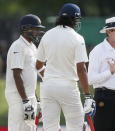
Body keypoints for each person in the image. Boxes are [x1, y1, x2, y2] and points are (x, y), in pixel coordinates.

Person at [35, 3, 95, 131]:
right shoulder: (77, 38)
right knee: (76, 127)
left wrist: (52, 78)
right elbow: (81, 69)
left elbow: (38, 65)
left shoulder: (47, 35)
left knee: (50, 128)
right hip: (68, 87)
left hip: (48, 86)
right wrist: (88, 95)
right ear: (74, 19)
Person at [88, 17, 115, 131]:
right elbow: (91, 79)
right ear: (108, 31)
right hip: (103, 96)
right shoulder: (97, 51)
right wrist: (110, 72)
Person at [5, 14, 45, 131]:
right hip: (18, 98)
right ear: (25, 29)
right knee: (18, 128)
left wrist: (35, 99)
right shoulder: (18, 46)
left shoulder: (32, 47)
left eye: (38, 29)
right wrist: (25, 100)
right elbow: (17, 75)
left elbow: (30, 75)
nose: (37, 32)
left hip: (28, 96)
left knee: (29, 128)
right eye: (35, 29)